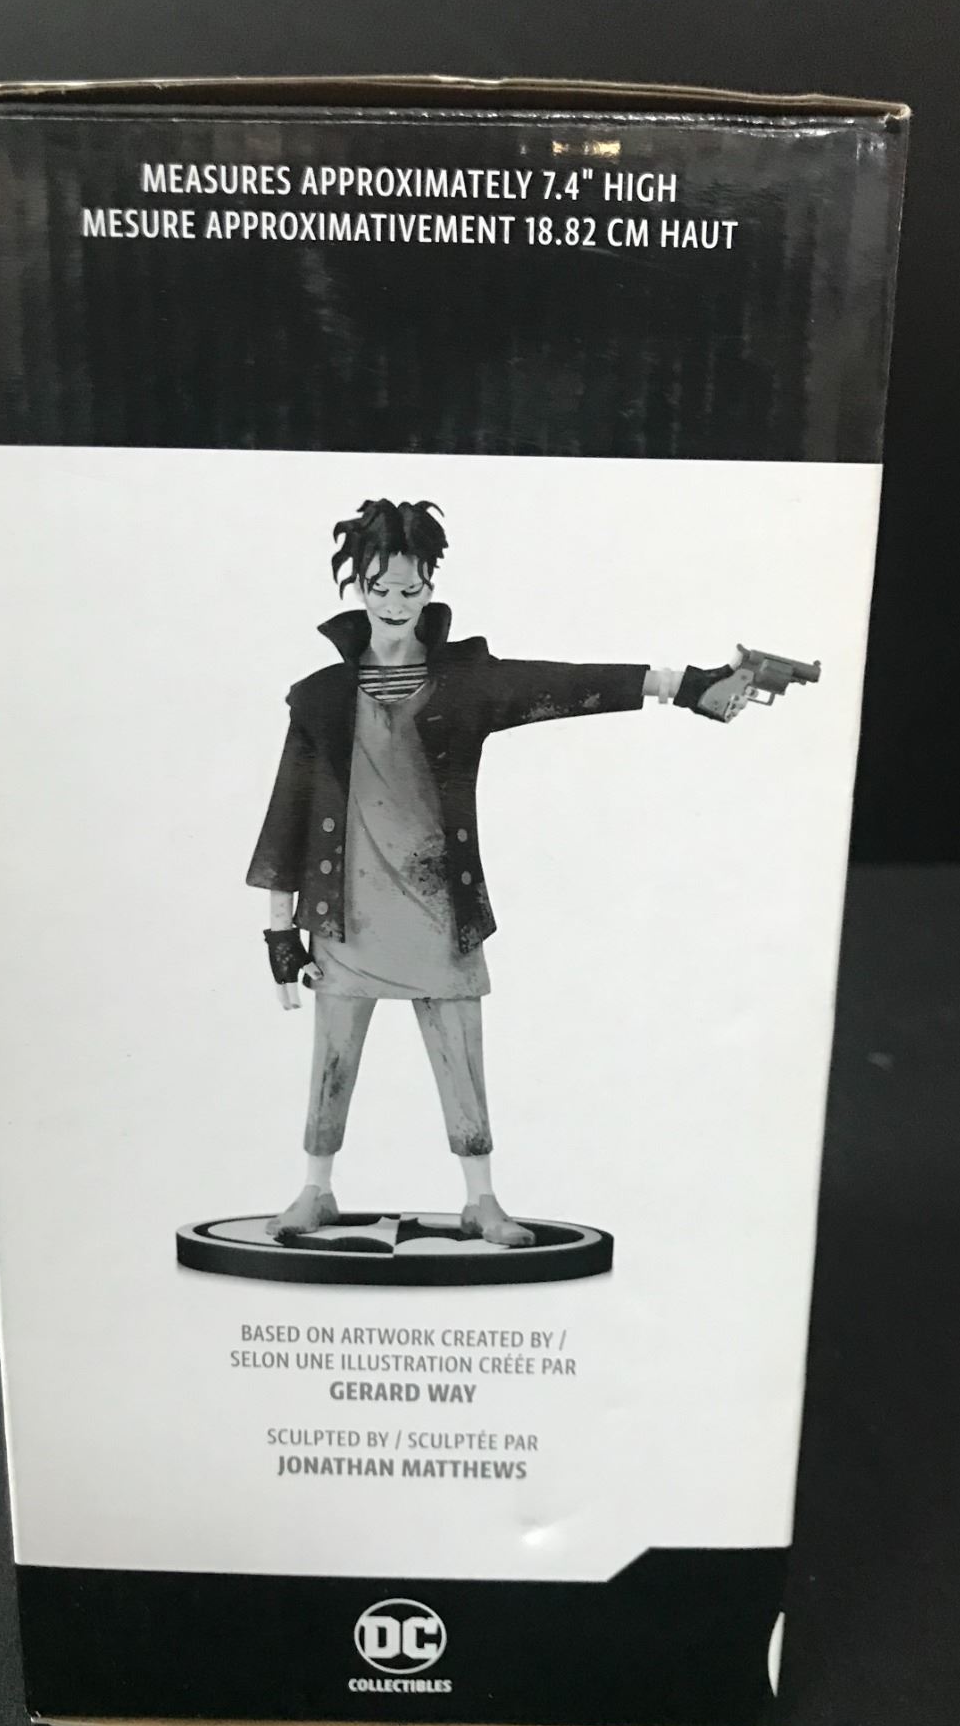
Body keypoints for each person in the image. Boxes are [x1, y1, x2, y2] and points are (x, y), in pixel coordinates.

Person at [247, 498, 753, 1246]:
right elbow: (286, 815)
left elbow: (560, 684)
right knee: (332, 1059)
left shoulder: (465, 684)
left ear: (429, 586)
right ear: (358, 588)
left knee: (461, 1059)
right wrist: (278, 935)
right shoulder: (320, 697)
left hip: (439, 915)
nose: (395, 603)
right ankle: (315, 1189)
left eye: (409, 587)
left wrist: (680, 683)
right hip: (346, 920)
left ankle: (481, 1200)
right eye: (380, 588)